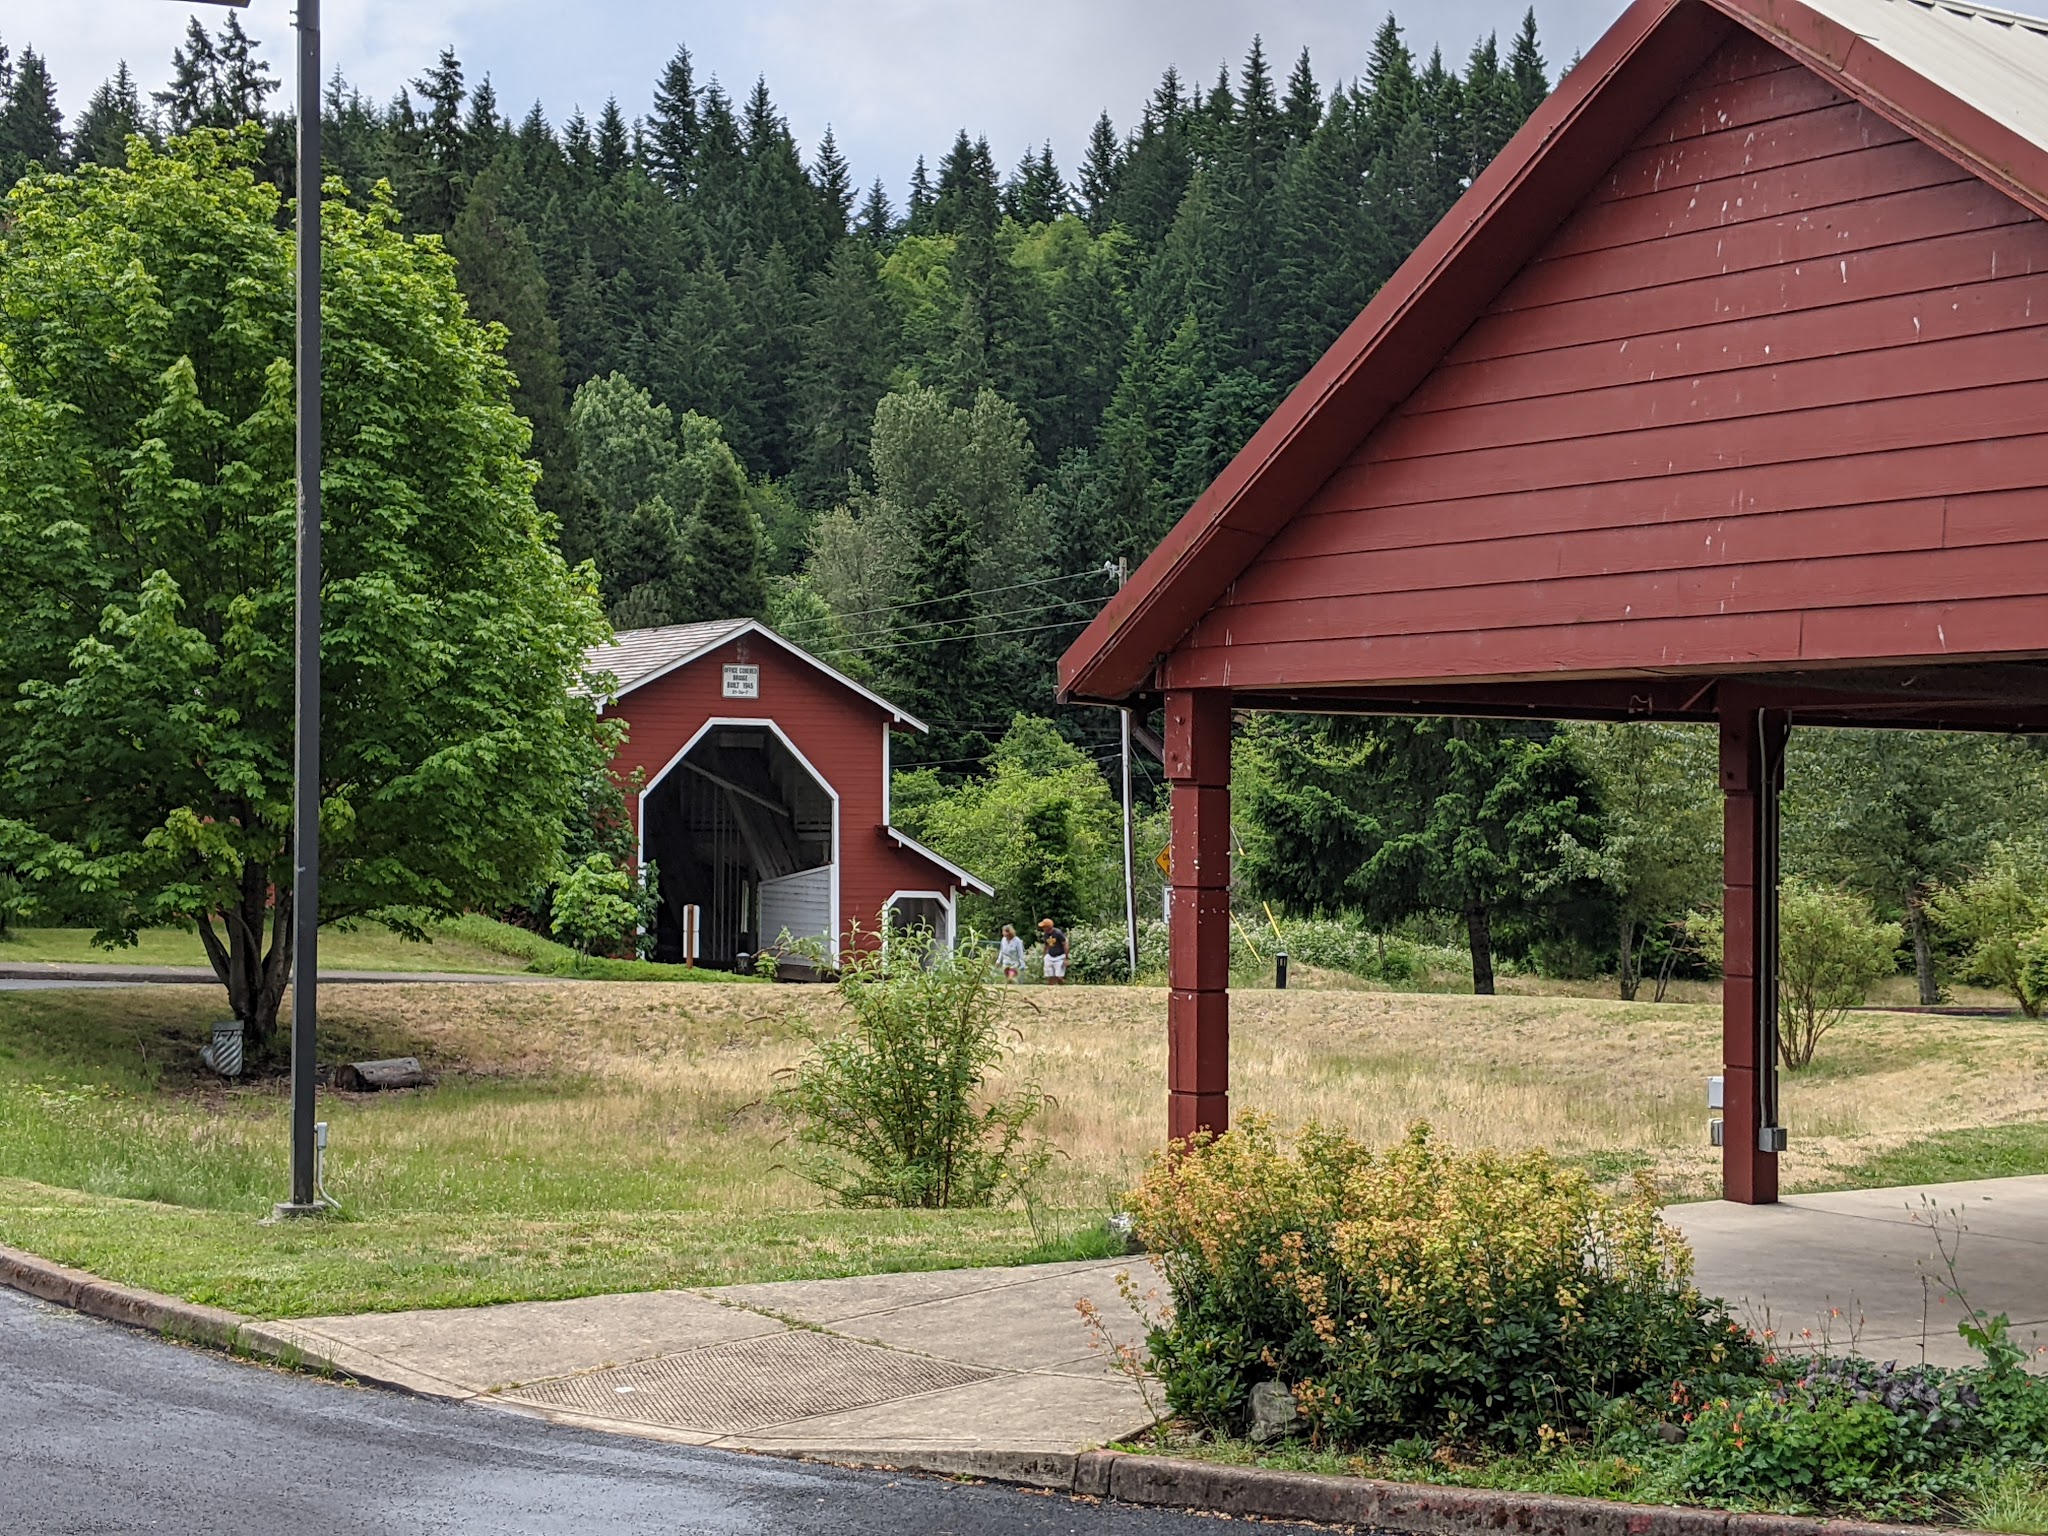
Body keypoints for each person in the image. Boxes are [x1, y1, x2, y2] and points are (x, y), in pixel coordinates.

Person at [1038, 917, 1067, 984]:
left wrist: (1066, 958)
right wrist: (1044, 955)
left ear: (1048, 927)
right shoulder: (1046, 934)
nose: (1043, 928)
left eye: (1044, 927)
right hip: (1050, 956)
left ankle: (1063, 985)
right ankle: (1050, 989)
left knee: (1059, 977)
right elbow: (1046, 945)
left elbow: (1065, 944)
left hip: (1059, 956)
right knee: (1050, 976)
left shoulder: (1058, 933)